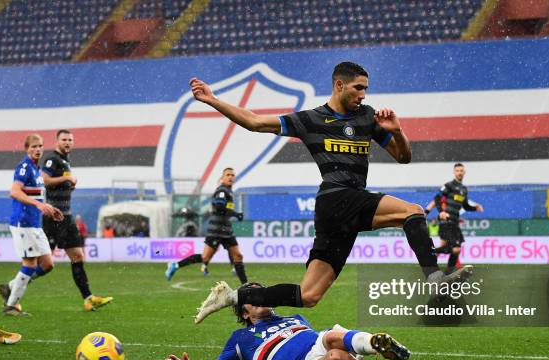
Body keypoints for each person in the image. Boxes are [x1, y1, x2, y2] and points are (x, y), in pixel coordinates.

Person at [190, 61, 472, 323]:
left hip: (335, 212)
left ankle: (233, 296)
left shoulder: (368, 117)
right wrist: (213, 100)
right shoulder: (312, 119)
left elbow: (403, 157)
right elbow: (254, 122)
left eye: (366, 89)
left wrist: (397, 132)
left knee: (308, 295)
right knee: (413, 212)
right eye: (358, 87)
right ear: (339, 85)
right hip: (336, 197)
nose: (363, 94)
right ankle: (434, 277)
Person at [158, 283, 449, 360]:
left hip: (320, 344)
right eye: (254, 296)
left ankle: (375, 343)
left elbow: (321, 341)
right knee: (335, 357)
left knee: (332, 337)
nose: (263, 297)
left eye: (264, 293)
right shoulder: (240, 339)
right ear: (244, 311)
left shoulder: (295, 318)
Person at [40, 129, 112, 311]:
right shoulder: (52, 159)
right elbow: (45, 180)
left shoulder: (65, 161)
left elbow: (60, 184)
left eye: (70, 140)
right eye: (64, 139)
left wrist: (70, 184)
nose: (68, 142)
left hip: (66, 216)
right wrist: (67, 178)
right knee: (44, 263)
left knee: (78, 256)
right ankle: (14, 286)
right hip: (53, 216)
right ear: (57, 141)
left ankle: (88, 299)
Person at [0, 134, 63, 316]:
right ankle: (11, 306)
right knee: (30, 263)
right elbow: (14, 192)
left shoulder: (37, 170)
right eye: (34, 146)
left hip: (35, 224)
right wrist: (39, 205)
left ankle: (11, 286)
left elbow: (36, 196)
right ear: (27, 148)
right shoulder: (24, 167)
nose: (38, 149)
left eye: (40, 146)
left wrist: (48, 207)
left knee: (48, 264)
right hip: (23, 222)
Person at [165, 167, 247, 284]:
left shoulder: (229, 192)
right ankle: (175, 265)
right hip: (216, 230)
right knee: (205, 258)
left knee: (238, 256)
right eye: (227, 175)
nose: (230, 177)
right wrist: (236, 214)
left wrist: (233, 214)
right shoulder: (222, 191)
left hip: (226, 230)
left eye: (232, 175)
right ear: (222, 178)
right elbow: (219, 207)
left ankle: (245, 285)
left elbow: (224, 209)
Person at [425, 163, 484, 274]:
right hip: (446, 220)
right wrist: (441, 212)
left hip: (454, 222)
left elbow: (465, 206)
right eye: (457, 170)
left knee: (451, 249)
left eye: (461, 170)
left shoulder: (464, 189)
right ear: (454, 172)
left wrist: (475, 208)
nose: (459, 172)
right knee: (456, 249)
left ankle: (446, 273)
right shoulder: (449, 185)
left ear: (464, 172)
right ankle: (432, 254)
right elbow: (437, 198)